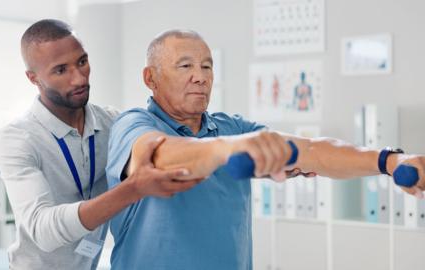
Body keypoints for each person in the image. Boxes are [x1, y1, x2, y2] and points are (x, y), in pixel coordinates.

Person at [105, 29, 425, 270]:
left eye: (207, 66)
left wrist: (389, 161)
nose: (200, 77)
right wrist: (231, 149)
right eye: (185, 66)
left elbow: (311, 150)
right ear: (151, 78)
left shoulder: (232, 128)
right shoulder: (133, 124)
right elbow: (158, 158)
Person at [0, 20, 200, 269]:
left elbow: (157, 147)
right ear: (33, 78)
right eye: (61, 70)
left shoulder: (112, 122)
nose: (79, 79)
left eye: (82, 62)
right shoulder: (17, 138)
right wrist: (134, 189)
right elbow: (42, 230)